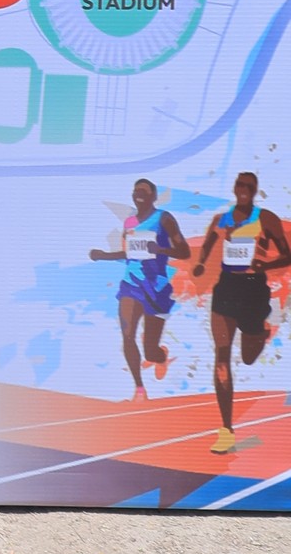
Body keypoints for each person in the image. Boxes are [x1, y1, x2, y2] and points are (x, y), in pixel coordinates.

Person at [190, 172, 291, 457]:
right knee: (221, 357)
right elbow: (208, 243)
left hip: (253, 290)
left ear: (255, 190)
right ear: (234, 188)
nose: (244, 189)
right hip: (226, 289)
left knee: (247, 357)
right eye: (240, 185)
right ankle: (226, 430)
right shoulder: (221, 219)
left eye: (249, 186)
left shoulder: (266, 219)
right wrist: (200, 264)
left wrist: (265, 265)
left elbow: (288, 255)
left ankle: (261, 331)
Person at [88, 180, 190, 402]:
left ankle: (160, 355)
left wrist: (161, 249)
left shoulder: (164, 219)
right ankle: (139, 389)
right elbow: (129, 254)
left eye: (144, 191)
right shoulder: (130, 222)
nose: (138, 194)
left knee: (150, 351)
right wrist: (103, 255)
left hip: (156, 289)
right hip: (131, 285)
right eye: (135, 191)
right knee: (127, 335)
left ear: (154, 196)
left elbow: (184, 251)